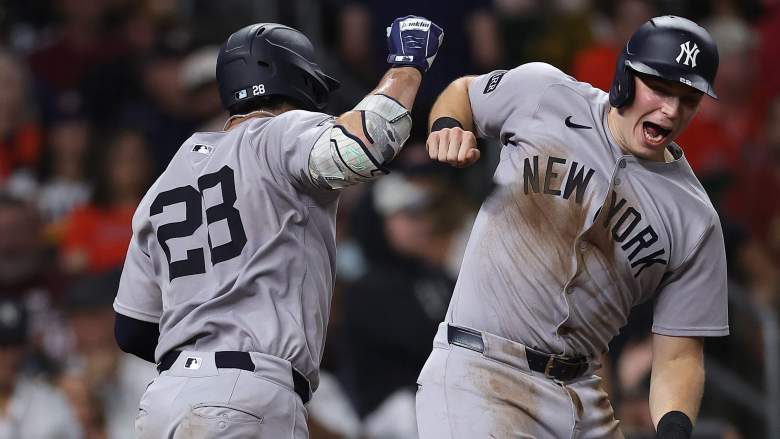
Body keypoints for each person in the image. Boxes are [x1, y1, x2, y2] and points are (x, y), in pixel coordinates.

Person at [112, 16, 443, 439]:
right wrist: (407, 64)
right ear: (299, 80)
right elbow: (361, 147)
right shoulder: (278, 132)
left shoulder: (165, 182)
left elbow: (133, 329)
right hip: (246, 392)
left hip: (164, 401)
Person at [416, 15, 728, 439]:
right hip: (481, 371)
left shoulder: (695, 219)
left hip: (582, 395)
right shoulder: (545, 94)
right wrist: (447, 125)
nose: (671, 110)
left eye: (688, 99)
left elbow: (678, 357)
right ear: (624, 77)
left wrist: (674, 428)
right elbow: (464, 92)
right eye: (659, 89)